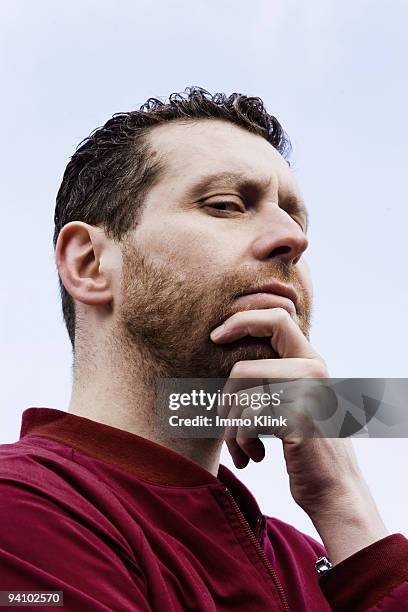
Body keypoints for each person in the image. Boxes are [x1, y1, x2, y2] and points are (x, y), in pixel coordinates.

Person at [1, 87, 406, 611]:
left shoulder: (318, 560)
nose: (292, 240)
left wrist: (346, 506)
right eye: (225, 206)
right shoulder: (23, 508)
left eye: (296, 219)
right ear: (89, 265)